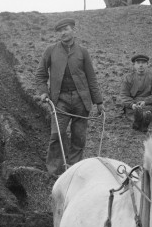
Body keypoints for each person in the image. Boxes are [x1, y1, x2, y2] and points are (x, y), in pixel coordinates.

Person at [34, 17, 104, 175]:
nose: (63, 33)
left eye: (65, 29)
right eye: (59, 31)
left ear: (73, 30)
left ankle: (73, 171)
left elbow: (91, 77)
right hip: (60, 101)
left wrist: (98, 102)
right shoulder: (50, 51)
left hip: (81, 100)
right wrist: (44, 92)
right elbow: (40, 75)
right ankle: (53, 173)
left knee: (79, 138)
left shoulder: (82, 52)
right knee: (56, 136)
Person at [120, 54, 152, 132]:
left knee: (147, 112)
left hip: (147, 104)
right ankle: (139, 122)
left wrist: (145, 102)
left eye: (143, 63)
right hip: (133, 103)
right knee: (133, 112)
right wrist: (132, 105)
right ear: (134, 65)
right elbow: (124, 95)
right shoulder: (128, 78)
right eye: (138, 63)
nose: (141, 65)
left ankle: (141, 122)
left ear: (147, 64)